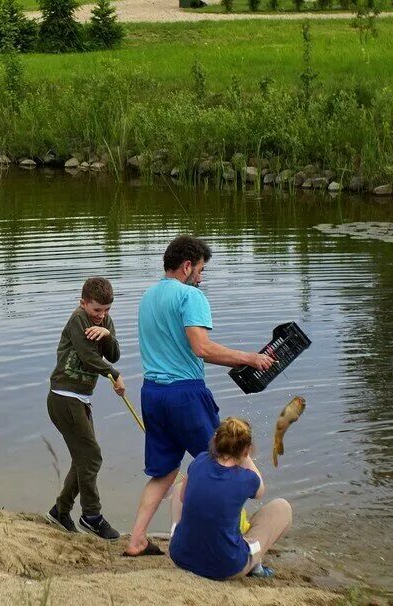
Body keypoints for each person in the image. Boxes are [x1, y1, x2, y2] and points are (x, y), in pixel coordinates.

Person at [123, 235, 275, 556]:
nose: (202, 278)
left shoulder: (148, 296)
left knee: (164, 472)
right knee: (225, 461)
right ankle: (228, 539)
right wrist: (251, 358)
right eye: (201, 270)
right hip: (185, 394)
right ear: (187, 266)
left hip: (152, 393)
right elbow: (201, 348)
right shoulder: (190, 296)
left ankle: (136, 539)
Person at [46, 277, 126, 540]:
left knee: (84, 459)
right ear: (83, 304)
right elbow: (88, 357)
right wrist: (114, 375)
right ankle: (92, 516)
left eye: (107, 310)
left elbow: (113, 354)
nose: (102, 315)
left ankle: (60, 511)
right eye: (96, 310)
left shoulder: (104, 322)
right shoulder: (78, 319)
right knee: (91, 457)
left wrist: (108, 335)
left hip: (81, 399)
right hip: (63, 397)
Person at [170, 417, 292, 579]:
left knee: (181, 485)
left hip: (181, 557)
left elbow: (183, 497)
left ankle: (178, 535)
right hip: (226, 567)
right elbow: (260, 491)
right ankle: (255, 566)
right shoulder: (247, 478)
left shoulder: (200, 460)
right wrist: (246, 458)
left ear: (215, 441)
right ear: (247, 450)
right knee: (282, 507)